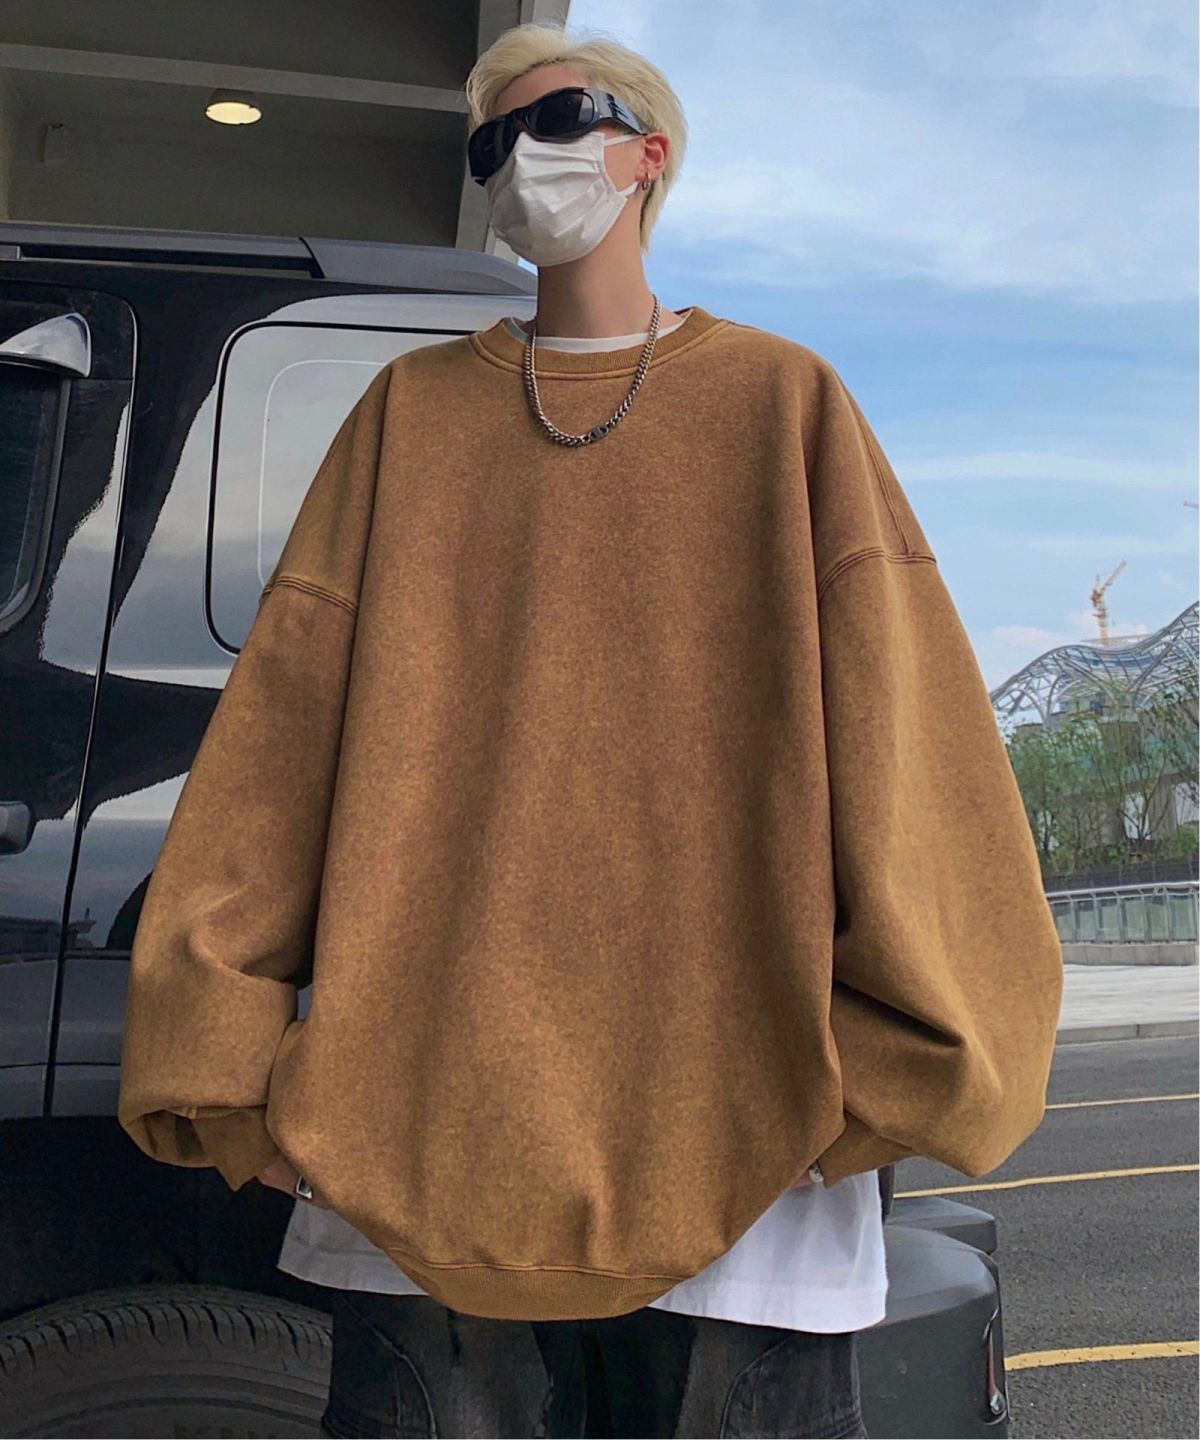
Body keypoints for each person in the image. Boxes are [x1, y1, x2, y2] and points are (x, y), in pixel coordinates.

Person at [116, 19, 1063, 1440]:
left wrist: (887, 1074)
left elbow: (913, 752)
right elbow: (279, 747)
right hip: (417, 1145)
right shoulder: (408, 419)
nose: (523, 160)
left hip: (744, 1149)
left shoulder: (782, 402)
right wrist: (228, 1075)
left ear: (650, 154)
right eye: (493, 142)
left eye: (562, 120)